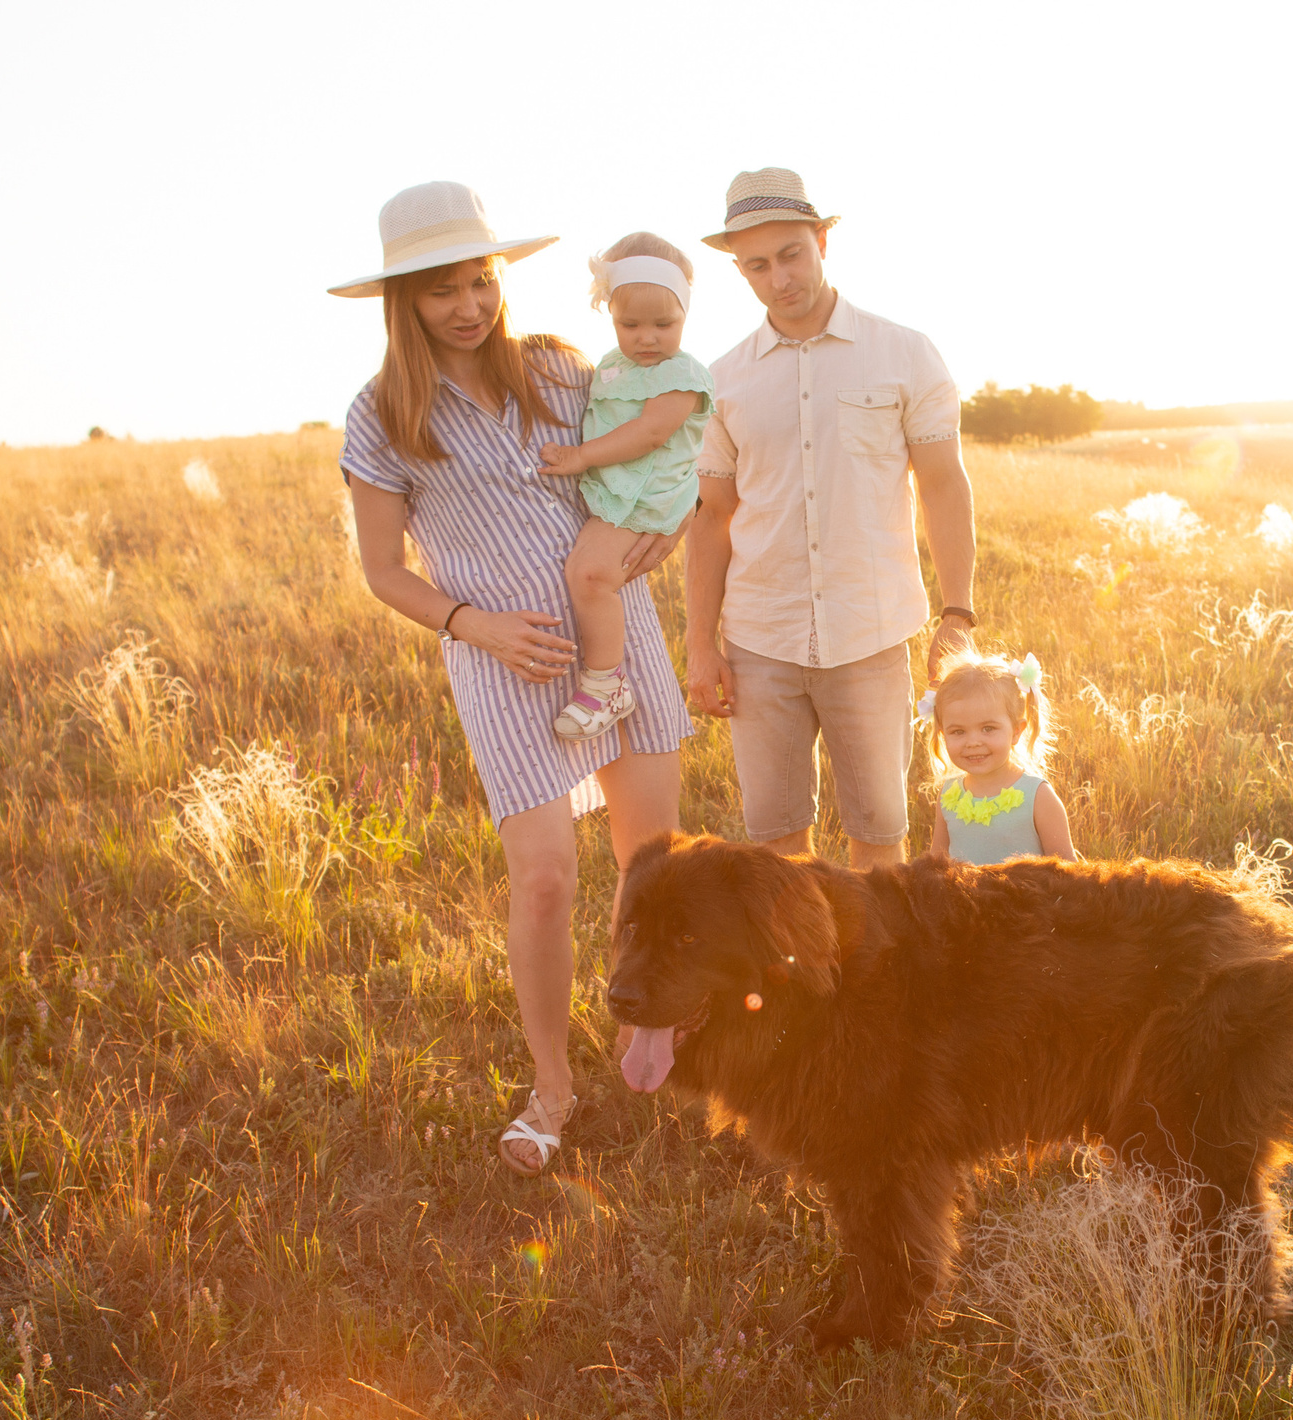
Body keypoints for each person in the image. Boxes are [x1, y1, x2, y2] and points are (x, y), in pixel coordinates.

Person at [330, 181, 689, 1176]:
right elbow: (383, 570)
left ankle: (653, 1046)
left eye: (479, 281)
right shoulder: (380, 414)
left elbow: (664, 440)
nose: (468, 305)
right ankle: (553, 1086)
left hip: (618, 642)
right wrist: (476, 624)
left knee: (651, 868)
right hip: (505, 661)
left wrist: (673, 522)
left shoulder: (560, 371)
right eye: (441, 289)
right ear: (403, 300)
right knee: (541, 880)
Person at [685, 167, 977, 869]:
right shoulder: (721, 379)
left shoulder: (903, 352)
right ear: (739, 269)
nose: (779, 277)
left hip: (870, 630)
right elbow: (712, 517)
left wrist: (958, 611)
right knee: (778, 846)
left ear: (821, 240)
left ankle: (873, 950)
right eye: (757, 265)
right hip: (760, 638)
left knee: (879, 837)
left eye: (791, 254)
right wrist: (699, 641)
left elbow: (943, 484)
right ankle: (803, 950)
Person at [535, 233, 714, 741]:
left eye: (664, 324)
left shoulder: (682, 374)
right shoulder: (614, 365)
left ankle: (606, 684)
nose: (647, 338)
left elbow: (650, 432)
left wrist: (580, 457)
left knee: (590, 576)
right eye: (629, 324)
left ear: (685, 314)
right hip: (619, 491)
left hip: (648, 496)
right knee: (585, 571)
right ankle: (603, 677)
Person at [921, 652, 1078, 863]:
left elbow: (1068, 872)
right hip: (963, 887)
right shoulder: (949, 795)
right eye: (958, 731)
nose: (973, 742)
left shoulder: (1038, 797)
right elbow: (935, 867)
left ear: (1016, 731)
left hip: (1025, 886)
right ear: (942, 733)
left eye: (988, 728)